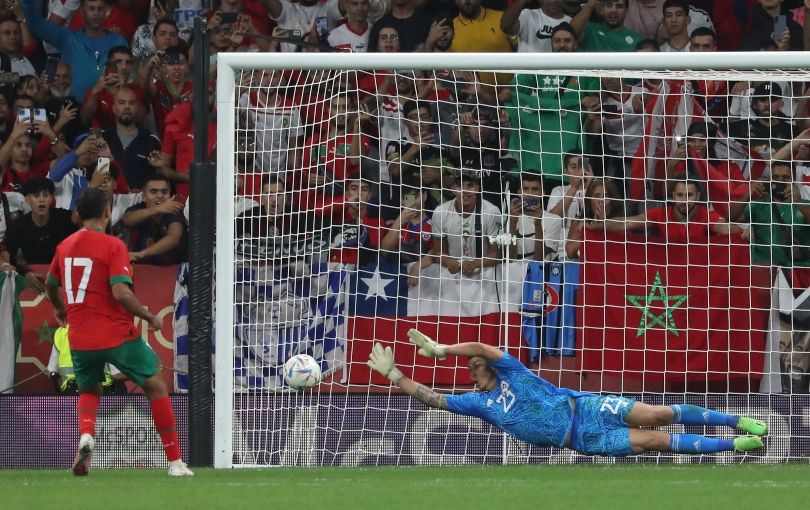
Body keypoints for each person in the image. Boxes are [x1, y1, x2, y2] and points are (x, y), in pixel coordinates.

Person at [366, 329, 768, 457]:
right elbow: (432, 398)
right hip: (581, 438)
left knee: (660, 414)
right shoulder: (479, 403)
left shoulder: (511, 370)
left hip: (586, 405)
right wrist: (395, 374)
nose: (472, 363)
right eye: (468, 365)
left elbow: (485, 348)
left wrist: (440, 350)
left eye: (475, 359)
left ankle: (736, 419)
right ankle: (734, 444)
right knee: (653, 441)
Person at [44, 187, 193, 477]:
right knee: (156, 386)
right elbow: (121, 292)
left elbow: (50, 284)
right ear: (107, 212)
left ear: (79, 215)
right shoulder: (112, 245)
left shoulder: (64, 246)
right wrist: (149, 315)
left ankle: (86, 435)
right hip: (115, 334)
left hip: (80, 338)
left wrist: (59, 309)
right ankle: (175, 463)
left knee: (89, 389)